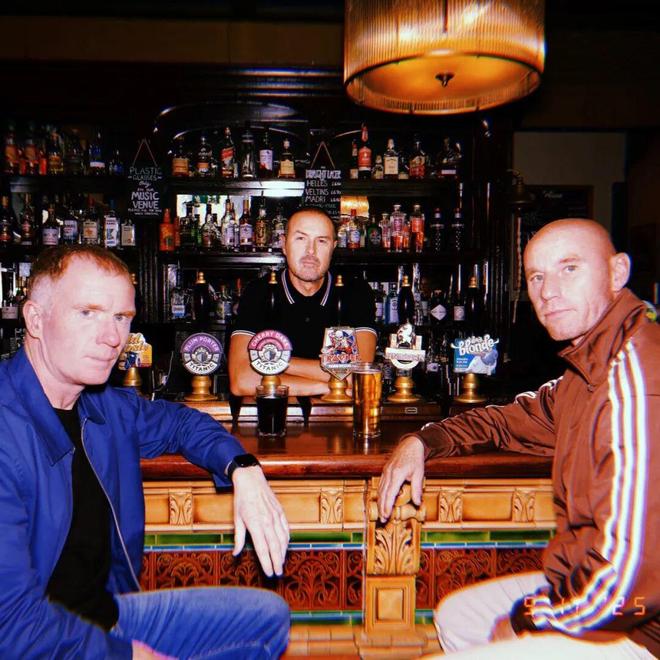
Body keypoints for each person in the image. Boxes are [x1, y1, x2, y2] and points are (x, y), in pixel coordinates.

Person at [378, 219, 658, 658]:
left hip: (639, 630)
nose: (548, 292)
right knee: (457, 617)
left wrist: (527, 621)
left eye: (569, 268)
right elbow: (508, 421)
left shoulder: (635, 382)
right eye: (536, 277)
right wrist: (423, 440)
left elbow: (630, 581)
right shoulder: (587, 371)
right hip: (592, 586)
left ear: (617, 272)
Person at [0, 245, 291, 659]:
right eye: (88, 313)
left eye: (121, 317)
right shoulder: (7, 427)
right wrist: (132, 655)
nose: (112, 338)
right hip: (43, 641)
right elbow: (13, 627)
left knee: (268, 618)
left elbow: (182, 423)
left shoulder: (103, 406)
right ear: (34, 319)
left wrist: (244, 468)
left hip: (104, 616)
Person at [229, 206, 377, 396]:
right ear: (284, 244)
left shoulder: (354, 292)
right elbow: (241, 380)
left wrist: (275, 361)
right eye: (300, 238)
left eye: (321, 241)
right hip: (275, 411)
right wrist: (329, 387)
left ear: (333, 247)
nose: (311, 251)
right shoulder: (259, 292)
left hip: (338, 413)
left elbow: (358, 376)